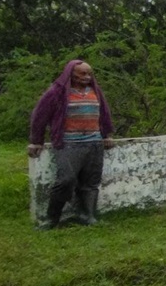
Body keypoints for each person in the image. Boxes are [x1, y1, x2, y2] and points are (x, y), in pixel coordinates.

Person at [28, 58, 115, 229]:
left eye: (89, 73)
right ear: (71, 74)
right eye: (82, 74)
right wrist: (36, 141)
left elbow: (104, 114)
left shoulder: (95, 91)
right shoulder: (57, 92)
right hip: (69, 144)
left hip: (94, 143)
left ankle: (87, 215)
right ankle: (52, 218)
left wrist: (107, 135)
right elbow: (40, 116)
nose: (87, 77)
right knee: (66, 180)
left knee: (91, 182)